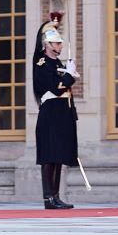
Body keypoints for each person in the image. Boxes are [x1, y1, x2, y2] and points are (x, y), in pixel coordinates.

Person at [33, 17, 78, 210]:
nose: (60, 46)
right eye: (57, 43)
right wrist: (69, 76)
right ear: (47, 44)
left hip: (61, 114)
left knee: (58, 156)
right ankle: (48, 198)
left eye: (60, 43)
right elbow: (56, 87)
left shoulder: (58, 62)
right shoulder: (42, 63)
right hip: (50, 114)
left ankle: (56, 196)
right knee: (49, 157)